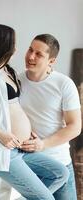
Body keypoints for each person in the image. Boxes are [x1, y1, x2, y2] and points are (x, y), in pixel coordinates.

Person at [0, 24, 69, 200]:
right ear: (3, 45)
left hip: (20, 148)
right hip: (4, 151)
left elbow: (12, 108)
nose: (16, 47)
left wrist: (25, 130)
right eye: (13, 42)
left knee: (60, 174)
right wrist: (0, 133)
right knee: (47, 198)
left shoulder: (8, 71)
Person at [19, 34, 82, 200]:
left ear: (51, 61)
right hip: (29, 165)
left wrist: (43, 144)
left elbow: (75, 126)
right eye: (30, 49)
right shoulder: (16, 81)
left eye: (39, 54)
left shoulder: (64, 84)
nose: (31, 56)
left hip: (59, 163)